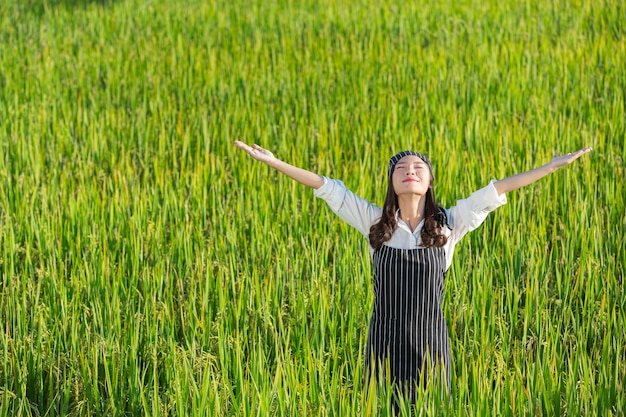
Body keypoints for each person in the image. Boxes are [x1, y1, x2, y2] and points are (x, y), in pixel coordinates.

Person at [233, 140, 592, 408]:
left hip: (431, 346)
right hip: (383, 346)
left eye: (418, 167)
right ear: (392, 181)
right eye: (402, 167)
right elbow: (328, 188)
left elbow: (496, 190)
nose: (410, 170)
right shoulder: (374, 223)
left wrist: (550, 166)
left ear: (430, 180)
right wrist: (276, 162)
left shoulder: (451, 223)